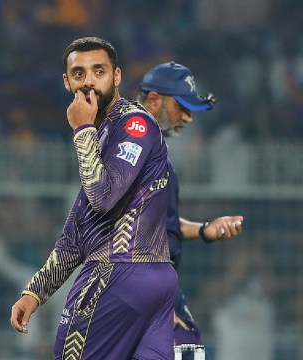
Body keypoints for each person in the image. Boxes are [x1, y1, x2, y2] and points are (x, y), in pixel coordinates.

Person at [10, 36, 177, 359]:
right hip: (154, 282)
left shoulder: (135, 124)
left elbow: (103, 197)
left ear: (116, 77)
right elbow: (77, 233)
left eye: (98, 71)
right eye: (78, 73)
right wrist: (35, 292)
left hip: (115, 275)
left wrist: (82, 129)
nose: (88, 82)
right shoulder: (104, 134)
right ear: (66, 81)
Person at [137, 62, 244, 353]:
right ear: (154, 100)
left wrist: (205, 230)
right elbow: (118, 235)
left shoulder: (157, 158)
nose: (188, 117)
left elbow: (157, 226)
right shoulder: (133, 154)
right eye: (181, 107)